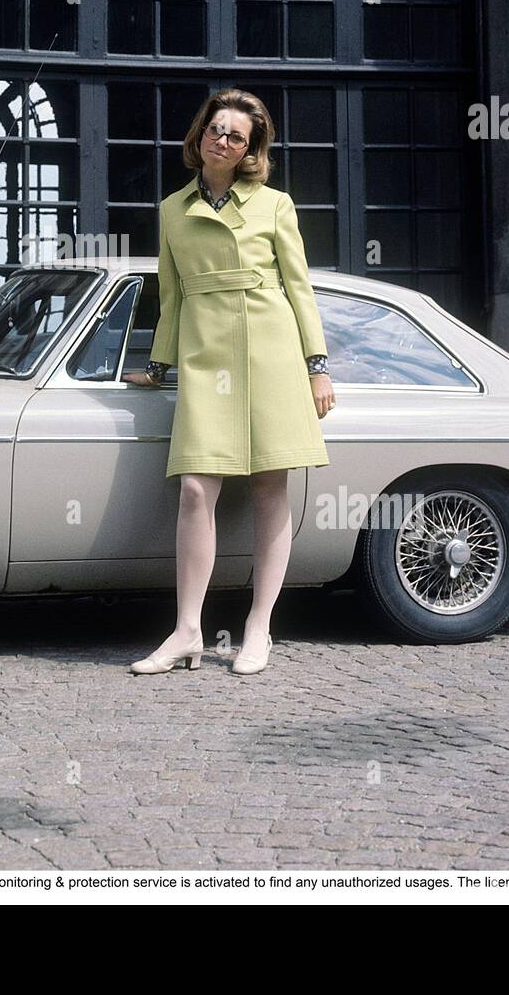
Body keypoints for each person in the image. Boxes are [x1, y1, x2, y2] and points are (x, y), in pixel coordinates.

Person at [123, 88, 336, 676]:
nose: (223, 140)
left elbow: (300, 290)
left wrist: (316, 367)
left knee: (271, 488)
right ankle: (188, 630)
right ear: (200, 135)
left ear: (250, 151)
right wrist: (161, 367)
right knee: (195, 488)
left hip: (272, 353)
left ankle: (259, 628)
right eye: (216, 129)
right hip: (204, 359)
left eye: (236, 136)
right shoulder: (171, 210)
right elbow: (171, 297)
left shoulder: (276, 205)